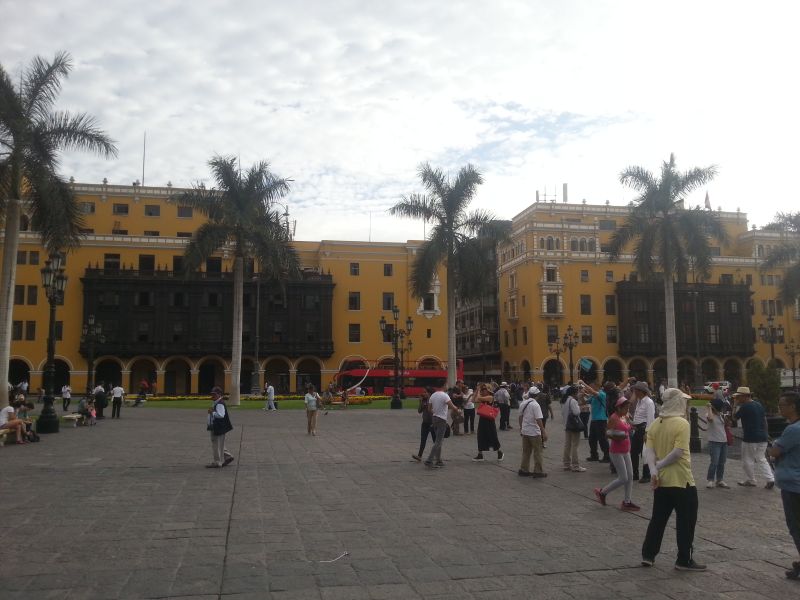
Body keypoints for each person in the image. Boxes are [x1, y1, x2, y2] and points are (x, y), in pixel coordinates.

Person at [641, 387, 705, 571]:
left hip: (661, 481)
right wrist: (659, 467)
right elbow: (678, 452)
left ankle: (648, 554)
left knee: (658, 519)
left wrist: (654, 471)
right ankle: (684, 559)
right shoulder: (682, 423)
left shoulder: (655, 424)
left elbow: (649, 452)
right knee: (686, 521)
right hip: (682, 480)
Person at [768, 391, 800, 580]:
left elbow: (775, 452)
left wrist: (774, 447)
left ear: (793, 406)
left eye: (782, 405)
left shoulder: (793, 430)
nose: (780, 408)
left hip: (793, 484)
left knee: (795, 525)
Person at [595, 397, 639, 511]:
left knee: (630, 476)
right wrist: (618, 436)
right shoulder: (614, 418)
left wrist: (632, 425)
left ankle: (627, 501)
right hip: (616, 451)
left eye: (627, 408)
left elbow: (629, 425)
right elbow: (607, 433)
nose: (627, 410)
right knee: (623, 477)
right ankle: (603, 492)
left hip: (626, 449)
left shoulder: (624, 416)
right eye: (625, 408)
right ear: (618, 408)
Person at [733, 386, 775, 489]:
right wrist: (766, 432)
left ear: (744, 396)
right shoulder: (758, 405)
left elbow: (734, 418)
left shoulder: (745, 407)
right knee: (761, 458)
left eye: (738, 397)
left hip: (750, 437)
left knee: (747, 459)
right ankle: (770, 478)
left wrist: (734, 405)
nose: (737, 399)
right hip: (762, 436)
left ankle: (751, 479)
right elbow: (764, 420)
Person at [424, 383, 460, 468]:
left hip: (434, 419)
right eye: (446, 385)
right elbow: (452, 407)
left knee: (438, 440)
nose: (447, 386)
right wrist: (458, 411)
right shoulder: (445, 395)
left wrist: (436, 413)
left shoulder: (433, 395)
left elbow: (429, 409)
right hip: (441, 420)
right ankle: (429, 460)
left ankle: (439, 460)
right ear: (443, 385)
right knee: (438, 442)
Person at [630, 381, 656, 483]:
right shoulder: (639, 401)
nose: (634, 392)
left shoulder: (649, 402)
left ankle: (646, 475)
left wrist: (647, 433)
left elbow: (650, 419)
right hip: (637, 429)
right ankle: (634, 473)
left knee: (645, 453)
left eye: (635, 390)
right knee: (634, 452)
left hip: (644, 429)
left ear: (640, 391)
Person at [517, 390, 547, 477]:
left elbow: (520, 417)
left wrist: (521, 428)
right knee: (538, 452)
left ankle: (524, 469)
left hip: (525, 431)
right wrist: (543, 431)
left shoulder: (523, 403)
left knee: (526, 452)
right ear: (537, 396)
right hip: (534, 432)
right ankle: (538, 471)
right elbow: (538, 419)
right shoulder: (535, 405)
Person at [474, 382, 503, 462]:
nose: (483, 391)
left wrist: (478, 390)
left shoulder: (490, 397)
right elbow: (474, 400)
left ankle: (499, 452)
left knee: (492, 436)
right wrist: (477, 391)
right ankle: (480, 454)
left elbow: (478, 399)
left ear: (488, 390)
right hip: (482, 418)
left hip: (489, 419)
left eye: (484, 389)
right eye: (482, 389)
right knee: (480, 435)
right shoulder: (483, 396)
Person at [583, 380, 610, 463]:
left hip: (601, 419)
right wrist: (582, 395)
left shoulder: (602, 394)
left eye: (592, 387)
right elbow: (585, 402)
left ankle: (607, 456)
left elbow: (592, 392)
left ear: (597, 386)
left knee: (602, 439)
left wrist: (583, 383)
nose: (590, 388)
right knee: (592, 439)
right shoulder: (593, 396)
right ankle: (594, 455)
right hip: (594, 420)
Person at [705, 397, 730, 489]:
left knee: (722, 462)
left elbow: (728, 424)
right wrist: (709, 408)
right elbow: (710, 419)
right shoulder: (709, 414)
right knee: (714, 462)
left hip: (723, 441)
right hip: (714, 441)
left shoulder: (721, 415)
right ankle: (710, 479)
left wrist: (724, 416)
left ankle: (720, 480)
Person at [207, 387, 234, 468]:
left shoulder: (219, 403)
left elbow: (221, 415)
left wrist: (213, 412)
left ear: (219, 394)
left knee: (216, 444)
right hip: (217, 426)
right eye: (212, 394)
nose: (212, 395)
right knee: (219, 444)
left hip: (219, 426)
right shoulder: (217, 402)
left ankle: (218, 462)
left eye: (214, 394)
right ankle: (228, 456)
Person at [561, 385, 586, 472]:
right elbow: (576, 412)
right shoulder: (573, 401)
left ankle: (566, 464)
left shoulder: (564, 400)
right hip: (574, 425)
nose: (578, 394)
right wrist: (579, 407)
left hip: (566, 425)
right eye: (577, 392)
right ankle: (575, 465)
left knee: (567, 445)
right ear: (574, 393)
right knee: (575, 445)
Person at [412, 387, 436, 461]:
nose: (423, 394)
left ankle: (437, 456)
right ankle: (419, 456)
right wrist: (420, 402)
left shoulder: (433, 401)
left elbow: (434, 412)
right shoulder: (424, 401)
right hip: (425, 423)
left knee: (435, 440)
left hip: (432, 423)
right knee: (423, 440)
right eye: (423, 392)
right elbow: (419, 411)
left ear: (429, 393)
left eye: (425, 392)